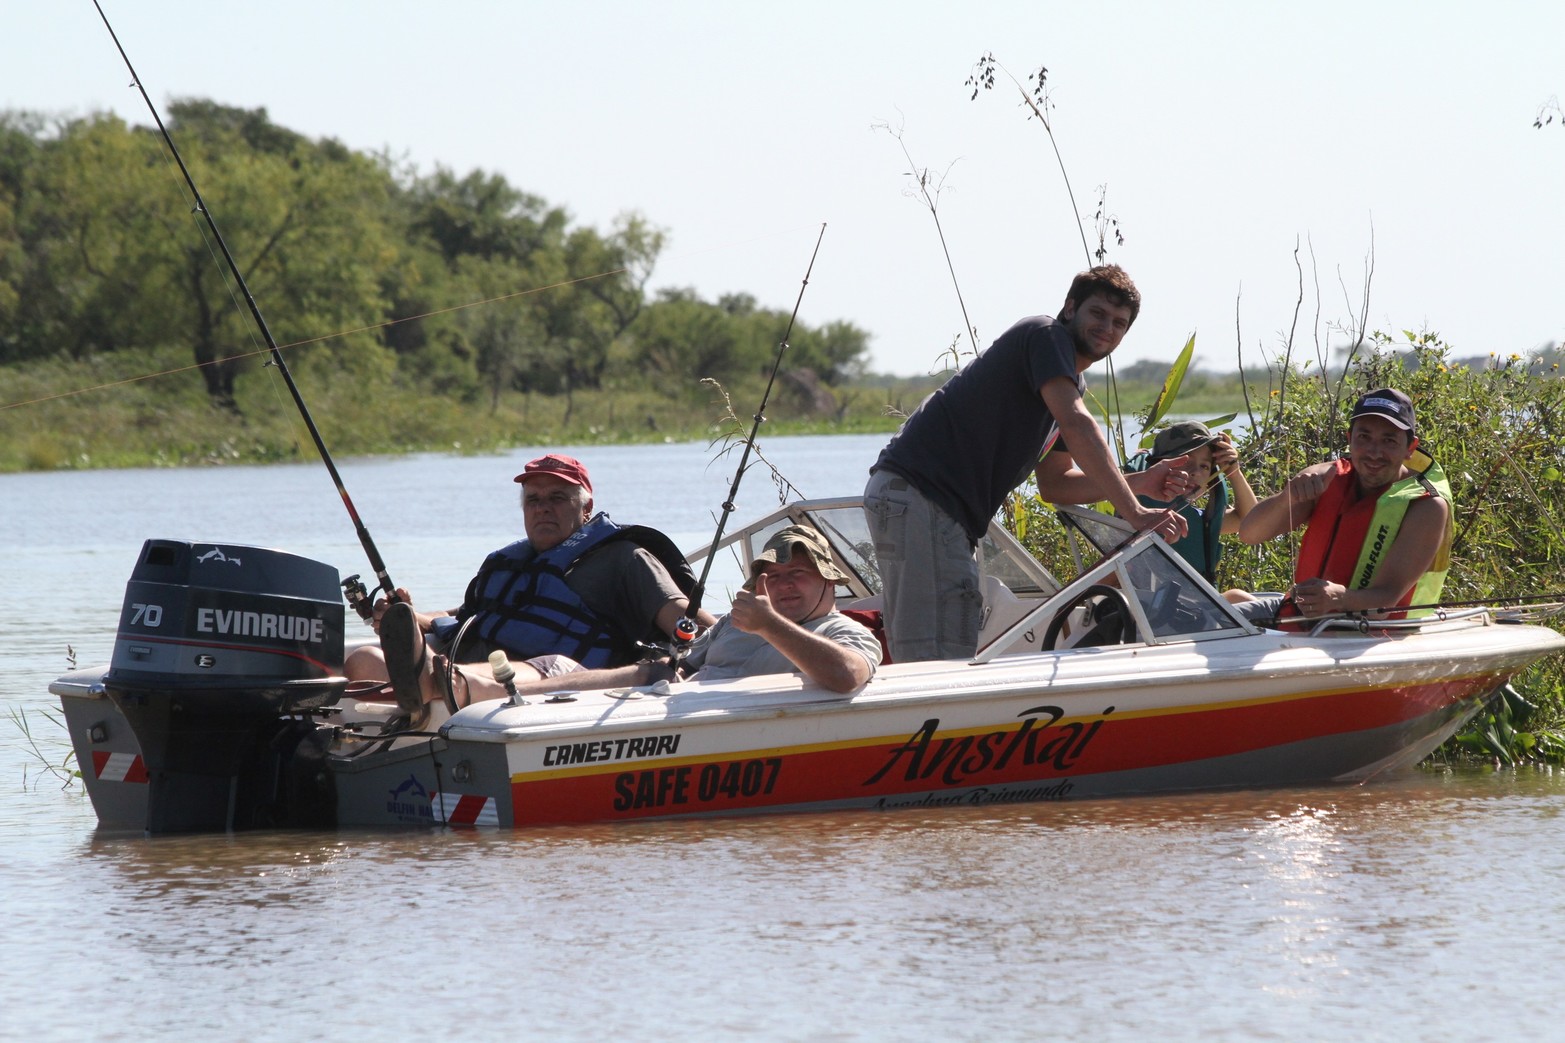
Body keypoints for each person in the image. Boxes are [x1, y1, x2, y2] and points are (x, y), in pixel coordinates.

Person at [864, 264, 1196, 663]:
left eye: (1119, 323)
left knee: (945, 643)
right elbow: (1077, 423)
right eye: (1098, 313)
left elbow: (1056, 485)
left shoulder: (1067, 380)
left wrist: (1141, 481)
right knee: (937, 660)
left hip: (933, 508)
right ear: (1070, 308)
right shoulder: (1044, 335)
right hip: (924, 497)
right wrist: (1137, 513)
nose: (1107, 327)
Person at [347, 453, 713, 706]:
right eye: (533, 499)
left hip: (555, 675)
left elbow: (689, 621)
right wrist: (411, 618)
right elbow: (469, 614)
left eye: (558, 497)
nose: (542, 508)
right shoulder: (505, 562)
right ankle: (431, 683)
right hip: (476, 661)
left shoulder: (625, 558)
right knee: (363, 660)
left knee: (471, 672)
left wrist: (749, 630)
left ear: (586, 508)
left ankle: (440, 681)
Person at [378, 524, 883, 705]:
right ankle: (456, 686)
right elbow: (688, 647)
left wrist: (770, 624)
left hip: (711, 719)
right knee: (570, 668)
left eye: (799, 573)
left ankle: (456, 684)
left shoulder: (842, 631)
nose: (783, 584)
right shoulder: (737, 623)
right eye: (773, 575)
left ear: (831, 581)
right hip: (669, 693)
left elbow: (846, 676)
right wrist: (679, 658)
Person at [1232, 387, 1453, 625]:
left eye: (1389, 440)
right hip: (1296, 617)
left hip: (1372, 633)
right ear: (1350, 439)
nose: (1374, 452)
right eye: (1364, 437)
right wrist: (1289, 495)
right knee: (1205, 621)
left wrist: (1340, 598)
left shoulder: (1427, 506)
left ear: (1410, 448)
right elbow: (1250, 534)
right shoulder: (1327, 478)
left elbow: (1386, 601)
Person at [1124, 420, 1258, 586]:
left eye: (1204, 466)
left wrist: (1234, 473)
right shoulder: (1137, 508)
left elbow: (1251, 520)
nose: (1196, 472)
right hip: (1148, 604)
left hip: (1195, 606)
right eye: (1186, 462)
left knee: (1238, 596)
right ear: (1158, 466)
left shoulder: (1199, 520)